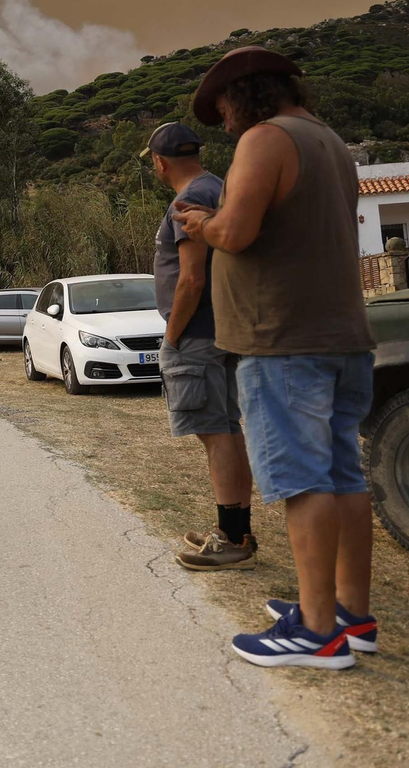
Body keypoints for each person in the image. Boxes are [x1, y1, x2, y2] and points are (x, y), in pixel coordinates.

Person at [176, 46, 378, 671]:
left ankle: (317, 635)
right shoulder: (330, 141)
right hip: (342, 333)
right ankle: (350, 615)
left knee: (302, 481)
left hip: (282, 339)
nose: (227, 123)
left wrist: (200, 225)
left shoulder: (265, 139)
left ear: (247, 95)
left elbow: (236, 233)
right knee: (344, 475)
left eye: (226, 109)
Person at [143, 122, 256, 571]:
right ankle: (236, 529)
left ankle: (231, 539)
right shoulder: (217, 188)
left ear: (159, 161)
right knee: (226, 427)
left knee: (215, 433)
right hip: (222, 328)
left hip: (197, 335)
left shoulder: (188, 200)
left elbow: (191, 277)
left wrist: (172, 338)